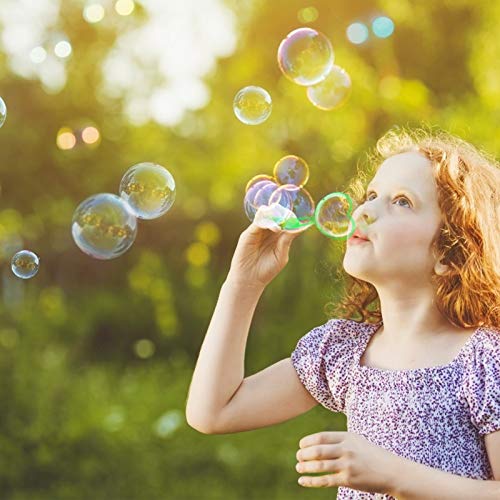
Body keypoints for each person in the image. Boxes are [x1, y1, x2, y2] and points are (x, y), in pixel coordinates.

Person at [185, 127, 500, 499]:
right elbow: (214, 412)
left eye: (402, 201)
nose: (365, 209)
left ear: (449, 254)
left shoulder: (484, 361)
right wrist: (243, 284)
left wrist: (394, 474)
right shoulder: (343, 352)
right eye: (371, 195)